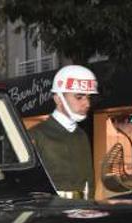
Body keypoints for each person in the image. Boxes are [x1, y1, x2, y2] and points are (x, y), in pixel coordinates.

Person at [29, 64, 98, 199]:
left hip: (80, 210)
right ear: (58, 99)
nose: (87, 103)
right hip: (51, 213)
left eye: (88, 97)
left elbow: (89, 181)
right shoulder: (36, 135)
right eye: (79, 97)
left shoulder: (81, 135)